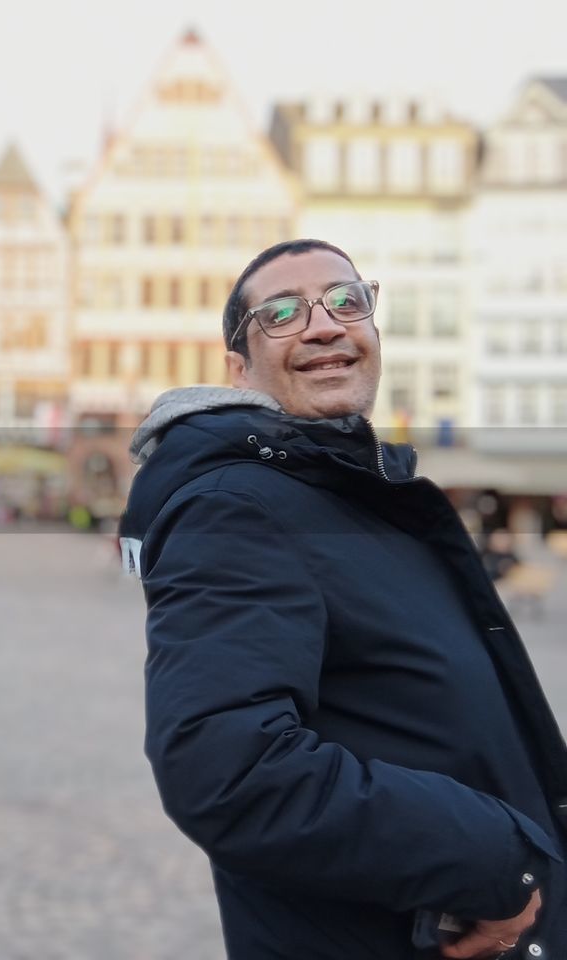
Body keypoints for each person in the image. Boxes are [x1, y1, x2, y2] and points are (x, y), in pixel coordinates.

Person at [119, 239, 565, 959]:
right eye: (283, 314)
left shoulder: (354, 496)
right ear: (239, 370)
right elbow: (228, 771)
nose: (324, 324)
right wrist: (495, 859)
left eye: (346, 301)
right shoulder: (239, 508)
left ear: (373, 332)